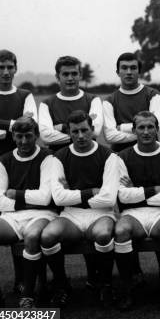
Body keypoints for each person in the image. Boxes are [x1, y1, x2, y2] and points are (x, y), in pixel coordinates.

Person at [40, 110, 119, 308]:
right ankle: (62, 285)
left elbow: (109, 197)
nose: (81, 136)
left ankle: (106, 284)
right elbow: (58, 198)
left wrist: (73, 194)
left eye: (85, 130)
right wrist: (92, 192)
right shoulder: (59, 157)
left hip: (102, 213)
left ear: (93, 130)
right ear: (69, 133)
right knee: (48, 236)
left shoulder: (108, 155)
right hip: (71, 215)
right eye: (75, 132)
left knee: (102, 234)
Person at [0, 117, 55, 308]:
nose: (24, 141)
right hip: (13, 215)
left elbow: (46, 198)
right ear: (13, 136)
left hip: (44, 215)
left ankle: (28, 295)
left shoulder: (48, 157)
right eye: (19, 136)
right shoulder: (5, 160)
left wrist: (16, 195)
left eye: (29, 136)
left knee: (32, 237)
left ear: (37, 136)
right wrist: (28, 203)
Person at [114, 111, 160, 310]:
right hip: (132, 214)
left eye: (150, 127)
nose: (145, 131)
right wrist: (153, 189)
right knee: (120, 231)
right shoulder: (122, 157)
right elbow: (123, 197)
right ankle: (129, 289)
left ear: (157, 129)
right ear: (133, 130)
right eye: (141, 127)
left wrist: (136, 189)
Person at [0, 50, 37, 296]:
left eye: (10, 67)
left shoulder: (25, 95)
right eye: (1, 67)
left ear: (16, 68)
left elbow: (30, 126)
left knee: (19, 226)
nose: (6, 72)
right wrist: (14, 125)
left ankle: (21, 281)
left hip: (19, 164)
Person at [39, 56, 103, 152]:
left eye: (74, 74)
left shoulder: (93, 100)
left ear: (80, 75)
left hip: (88, 155)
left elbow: (95, 131)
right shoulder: (46, 104)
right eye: (65, 74)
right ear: (57, 77)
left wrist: (59, 127)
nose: (70, 78)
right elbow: (46, 136)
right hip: (58, 158)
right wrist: (83, 131)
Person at [102, 52, 160, 152]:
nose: (129, 72)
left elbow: (156, 127)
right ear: (118, 72)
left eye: (133, 68)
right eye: (124, 68)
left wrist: (122, 127)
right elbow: (110, 136)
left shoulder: (153, 95)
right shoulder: (109, 101)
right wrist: (144, 133)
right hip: (120, 155)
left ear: (139, 71)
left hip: (150, 153)